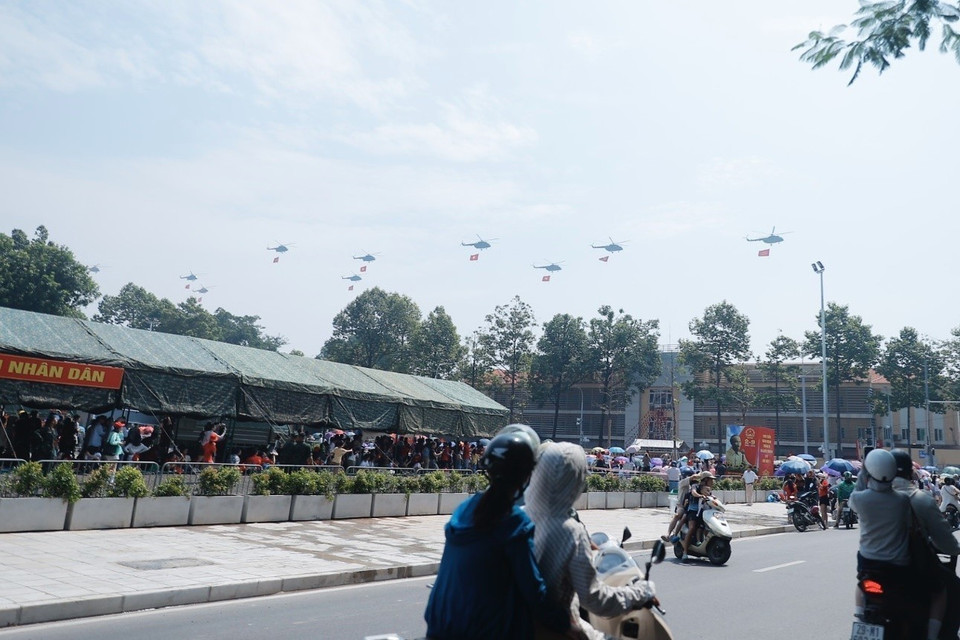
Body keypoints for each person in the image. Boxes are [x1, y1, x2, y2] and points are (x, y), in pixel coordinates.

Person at [423, 431, 575, 640]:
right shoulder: (514, 522)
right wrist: (566, 624)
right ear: (527, 474)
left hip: (438, 627)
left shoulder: (464, 509)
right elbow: (534, 590)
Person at [526, 441, 656, 640]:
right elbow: (595, 599)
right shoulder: (570, 531)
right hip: (562, 629)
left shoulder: (520, 517)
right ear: (574, 480)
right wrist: (641, 592)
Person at [891, 449, 960, 640]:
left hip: (873, 565)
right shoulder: (919, 498)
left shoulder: (871, 497)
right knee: (951, 586)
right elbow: (949, 544)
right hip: (910, 567)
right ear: (910, 473)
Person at [848, 449, 911, 623]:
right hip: (897, 564)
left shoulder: (860, 500)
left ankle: (859, 618)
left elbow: (856, 493)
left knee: (861, 582)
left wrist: (863, 472)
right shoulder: (902, 501)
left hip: (868, 561)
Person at [681, 471, 715, 561]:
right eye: (711, 479)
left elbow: (711, 496)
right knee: (692, 528)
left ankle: (704, 550)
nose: (713, 482)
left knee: (708, 529)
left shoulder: (707, 488)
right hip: (693, 511)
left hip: (704, 511)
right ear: (706, 479)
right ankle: (685, 552)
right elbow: (693, 493)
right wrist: (700, 496)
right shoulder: (696, 486)